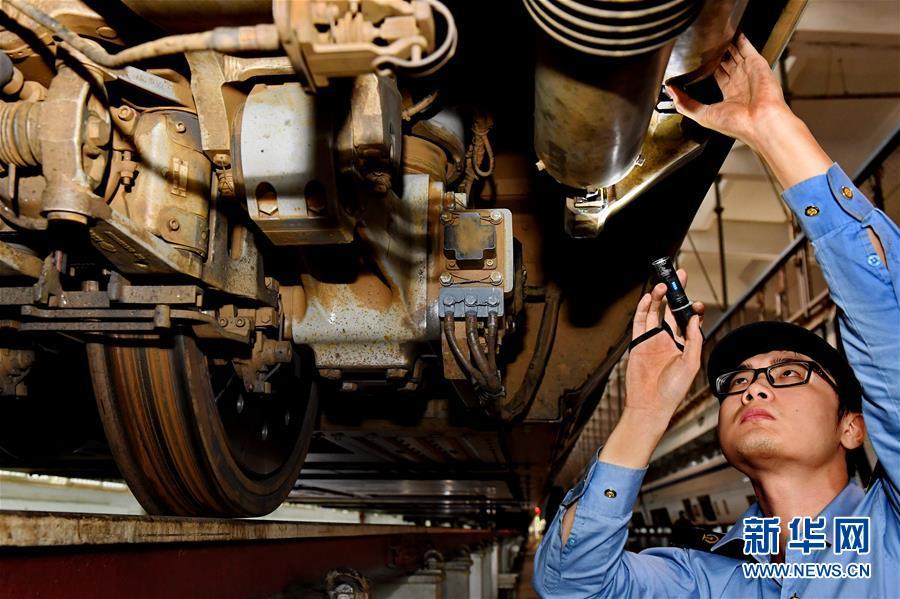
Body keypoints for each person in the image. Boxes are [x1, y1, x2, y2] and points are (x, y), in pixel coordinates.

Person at [533, 33, 899, 598]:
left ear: (852, 426)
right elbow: (572, 585)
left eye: (787, 372)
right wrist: (645, 414)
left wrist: (774, 131)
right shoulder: (706, 576)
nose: (752, 389)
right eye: (738, 381)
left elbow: (888, 317)